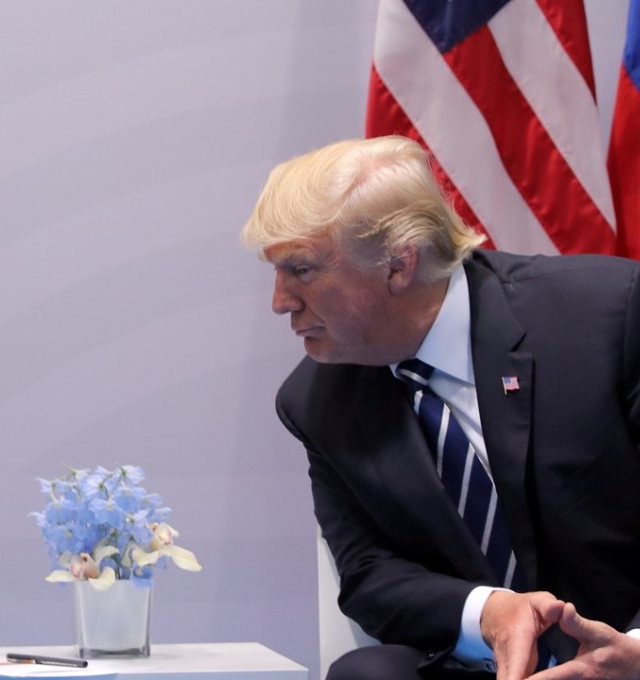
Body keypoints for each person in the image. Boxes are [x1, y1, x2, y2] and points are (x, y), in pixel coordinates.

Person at [241, 135, 640, 679]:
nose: (279, 301)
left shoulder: (605, 318)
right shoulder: (317, 400)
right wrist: (491, 611)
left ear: (398, 264)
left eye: (302, 269)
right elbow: (370, 571)